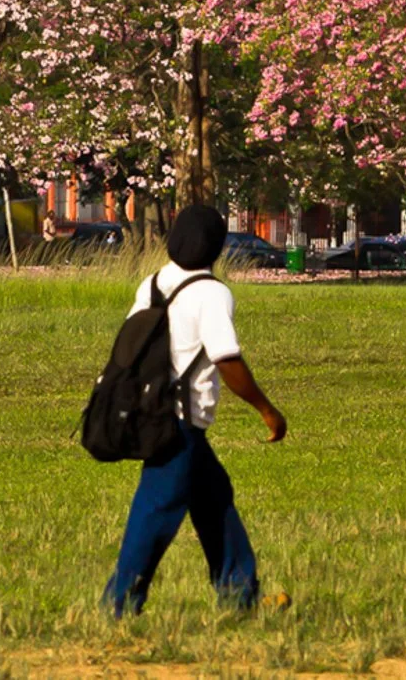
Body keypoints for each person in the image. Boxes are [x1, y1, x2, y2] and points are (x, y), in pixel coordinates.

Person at [103, 203, 287, 617]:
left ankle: (240, 595)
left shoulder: (153, 283)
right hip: (180, 424)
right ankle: (118, 604)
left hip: (148, 410)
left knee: (214, 498)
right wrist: (266, 409)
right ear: (218, 247)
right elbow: (226, 358)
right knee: (155, 512)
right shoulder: (212, 292)